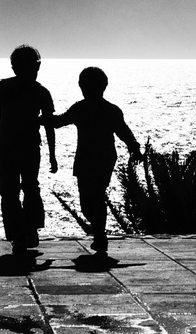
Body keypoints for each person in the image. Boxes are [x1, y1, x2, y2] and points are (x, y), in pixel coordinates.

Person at [49, 66, 143, 258]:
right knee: (92, 198)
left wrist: (133, 145)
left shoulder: (89, 109)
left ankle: (100, 234)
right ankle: (100, 231)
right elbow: (59, 122)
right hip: (103, 158)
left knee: (91, 198)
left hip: (93, 158)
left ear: (82, 86)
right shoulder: (98, 109)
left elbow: (59, 122)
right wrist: (133, 145)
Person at [0, 45, 56, 256]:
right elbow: (48, 125)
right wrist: (53, 155)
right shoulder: (40, 91)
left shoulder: (7, 88)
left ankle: (21, 235)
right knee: (29, 188)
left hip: (9, 148)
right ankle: (28, 231)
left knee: (11, 192)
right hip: (26, 148)